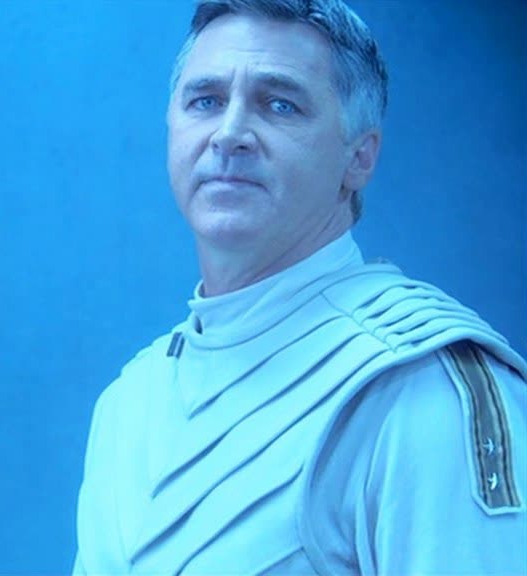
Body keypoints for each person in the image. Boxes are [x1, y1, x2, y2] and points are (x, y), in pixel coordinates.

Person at [74, 1, 526, 574]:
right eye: (206, 100)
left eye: (279, 104)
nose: (230, 134)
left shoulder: (417, 390)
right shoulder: (130, 400)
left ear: (359, 157)